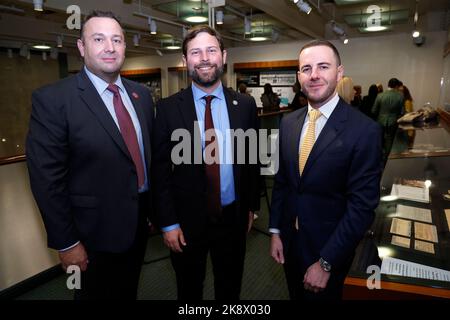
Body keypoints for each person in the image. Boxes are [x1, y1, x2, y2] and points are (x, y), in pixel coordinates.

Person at [26, 10, 154, 300]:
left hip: (137, 228)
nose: (110, 47)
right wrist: (67, 242)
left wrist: (150, 210)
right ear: (82, 48)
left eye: (117, 40)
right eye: (99, 39)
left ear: (124, 47)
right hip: (90, 237)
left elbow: (145, 160)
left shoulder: (141, 96)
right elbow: (47, 180)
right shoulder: (53, 100)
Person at [152, 25, 260, 300]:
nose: (204, 58)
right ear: (185, 60)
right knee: (189, 291)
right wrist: (167, 223)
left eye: (211, 50)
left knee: (230, 287)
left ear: (223, 56)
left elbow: (251, 162)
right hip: (186, 225)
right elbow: (160, 172)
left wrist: (251, 207)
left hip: (232, 219)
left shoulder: (245, 105)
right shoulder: (167, 109)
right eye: (195, 52)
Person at [269, 40, 382, 300]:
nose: (314, 75)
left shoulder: (364, 131)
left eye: (323, 66)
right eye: (306, 68)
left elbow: (361, 207)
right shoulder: (288, 123)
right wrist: (275, 231)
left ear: (339, 72)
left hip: (331, 252)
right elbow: (283, 182)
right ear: (299, 76)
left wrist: (326, 262)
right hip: (291, 246)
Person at [371, 78, 404, 163]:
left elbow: (373, 110)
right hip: (393, 122)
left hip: (380, 121)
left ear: (388, 84)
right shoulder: (400, 96)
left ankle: (377, 160)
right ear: (396, 86)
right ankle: (387, 161)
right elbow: (402, 112)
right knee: (389, 141)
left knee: (378, 141)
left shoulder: (380, 95)